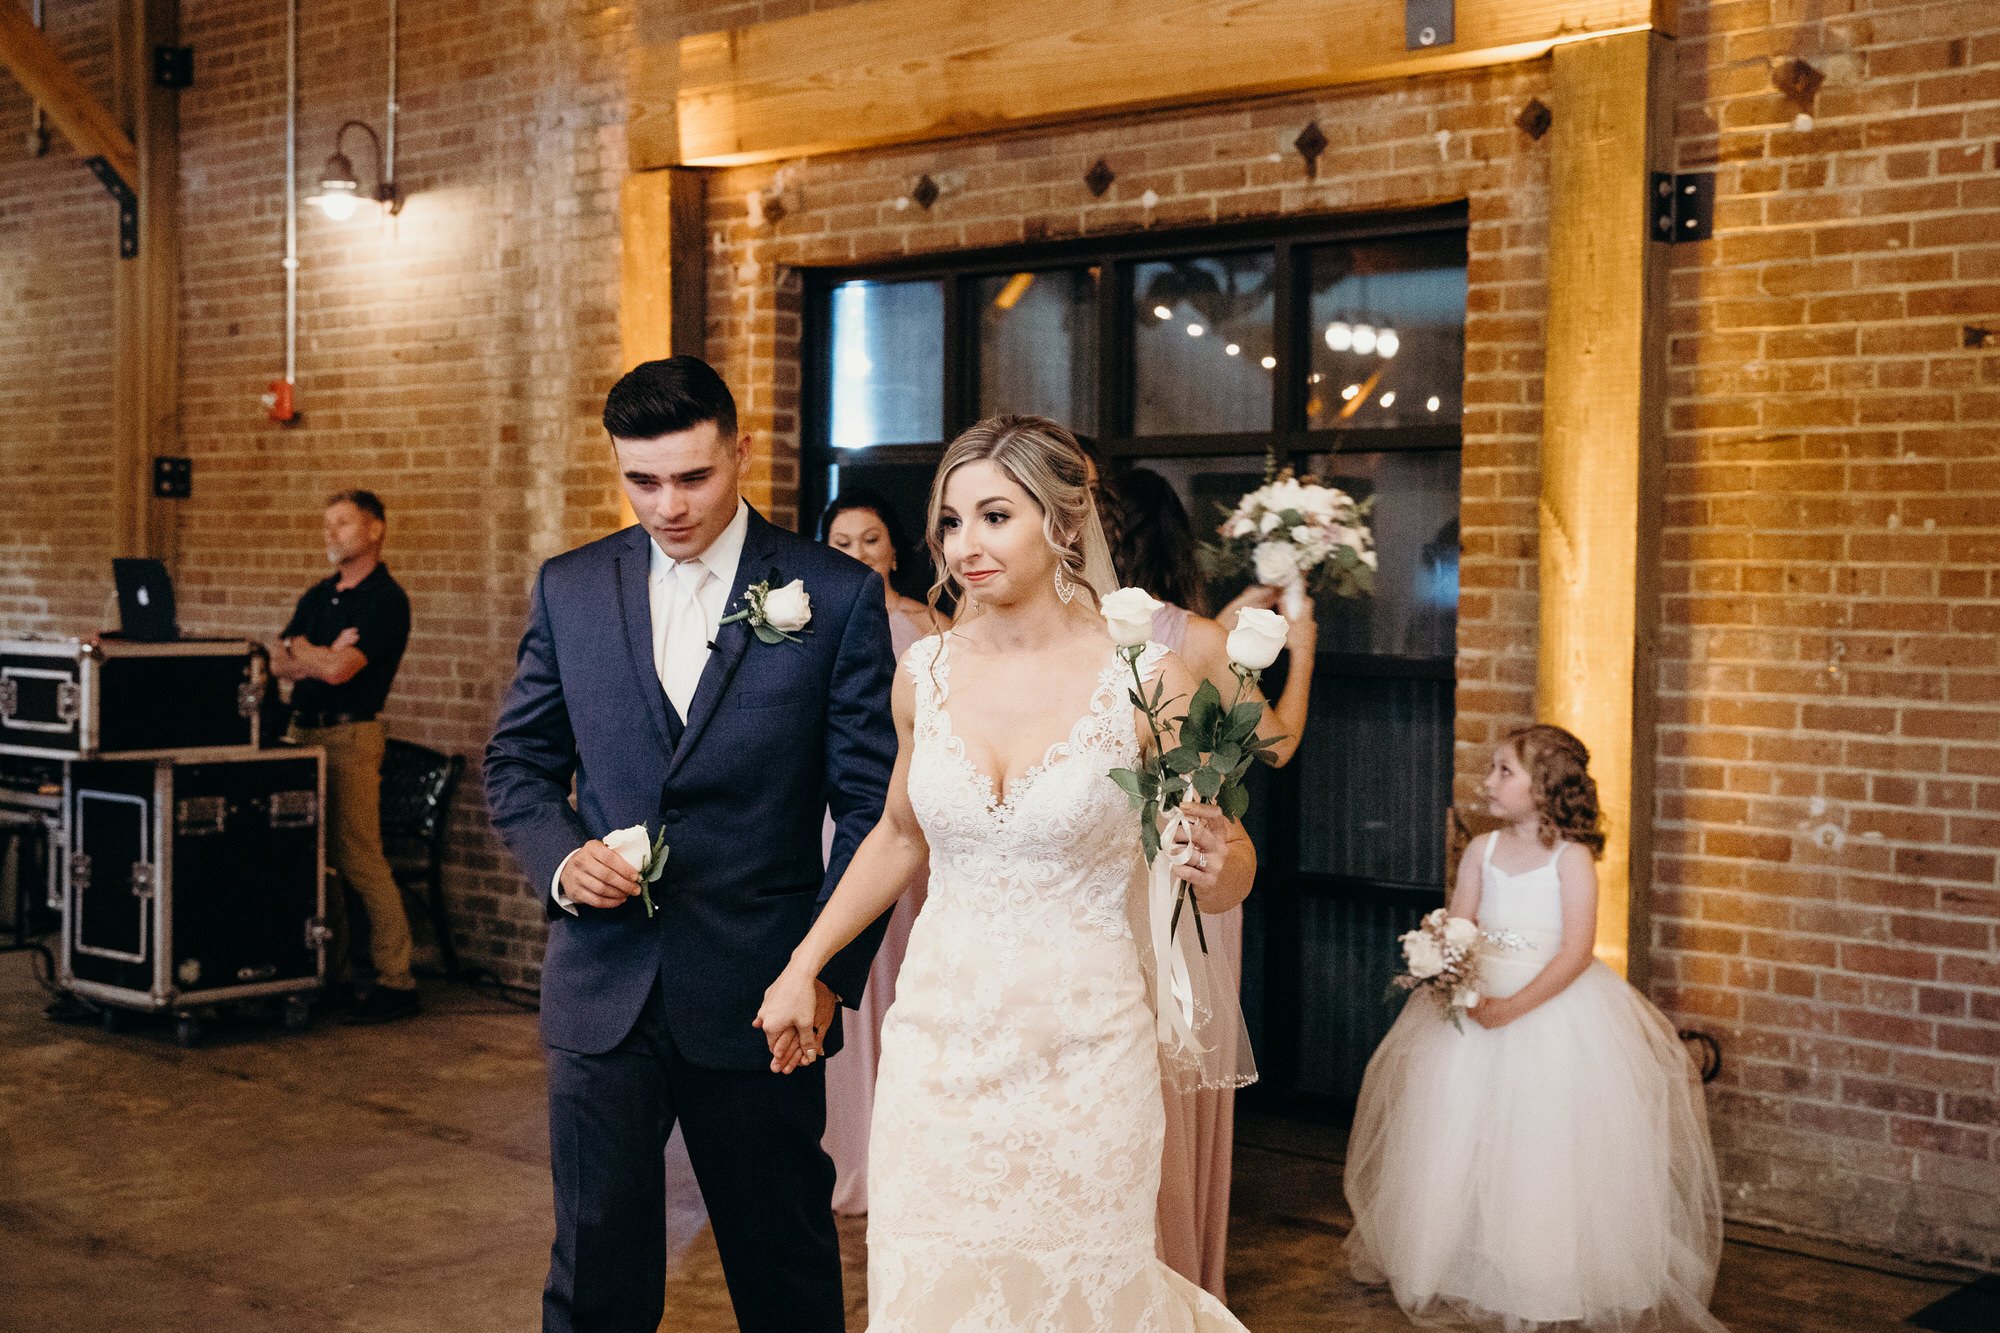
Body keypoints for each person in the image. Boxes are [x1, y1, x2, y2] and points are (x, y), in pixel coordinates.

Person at [757, 415, 1257, 1330]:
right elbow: (898, 835)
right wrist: (806, 963)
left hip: (1086, 1055)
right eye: (950, 522)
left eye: (994, 516)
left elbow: (1224, 867)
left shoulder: (1147, 680)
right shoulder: (926, 673)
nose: (964, 546)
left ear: (1064, 523)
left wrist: (1223, 860)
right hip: (937, 1051)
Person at [483, 356, 897, 1333]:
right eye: (641, 480)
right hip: (602, 989)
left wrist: (824, 972)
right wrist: (562, 860)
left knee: (784, 1272)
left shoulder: (833, 594)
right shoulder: (572, 587)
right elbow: (517, 763)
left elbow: (875, 808)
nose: (666, 505)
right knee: (593, 1277)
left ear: (740, 452)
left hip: (762, 991)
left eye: (692, 477)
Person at [1343, 724, 1726, 1332]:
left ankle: (1540, 1275)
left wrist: (1510, 1008)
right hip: (1475, 1008)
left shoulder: (1570, 860)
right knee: (1459, 1136)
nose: (1488, 782)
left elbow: (1575, 953)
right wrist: (1451, 972)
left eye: (1505, 771)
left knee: (1541, 1145)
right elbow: (1460, 927)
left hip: (1551, 1009)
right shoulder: (1482, 850)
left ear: (1544, 787)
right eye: (1492, 769)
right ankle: (1464, 1265)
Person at [1110, 465, 1318, 1301]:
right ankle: (1175, 1269)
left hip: (1149, 872)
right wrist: (1301, 650)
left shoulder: (1090, 633)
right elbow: (1278, 742)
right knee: (1171, 1073)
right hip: (1184, 871)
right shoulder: (1194, 634)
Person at [816, 488, 932, 1215]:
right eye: (842, 543)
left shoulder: (933, 626)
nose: (858, 553)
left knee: (906, 985)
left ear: (893, 550)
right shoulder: (816, 620)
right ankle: (847, 1146)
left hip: (916, 827)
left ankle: (907, 1149)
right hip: (845, 822)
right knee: (843, 972)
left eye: (870, 539)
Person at [272, 489, 417, 1024]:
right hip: (300, 733)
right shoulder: (320, 593)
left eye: (343, 524)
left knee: (359, 858)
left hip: (350, 736)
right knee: (313, 859)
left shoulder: (385, 599)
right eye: (327, 524)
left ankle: (395, 980)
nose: (330, 534)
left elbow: (338, 672)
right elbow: (275, 660)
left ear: (375, 529)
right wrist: (321, 653)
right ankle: (327, 974)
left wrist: (309, 653)